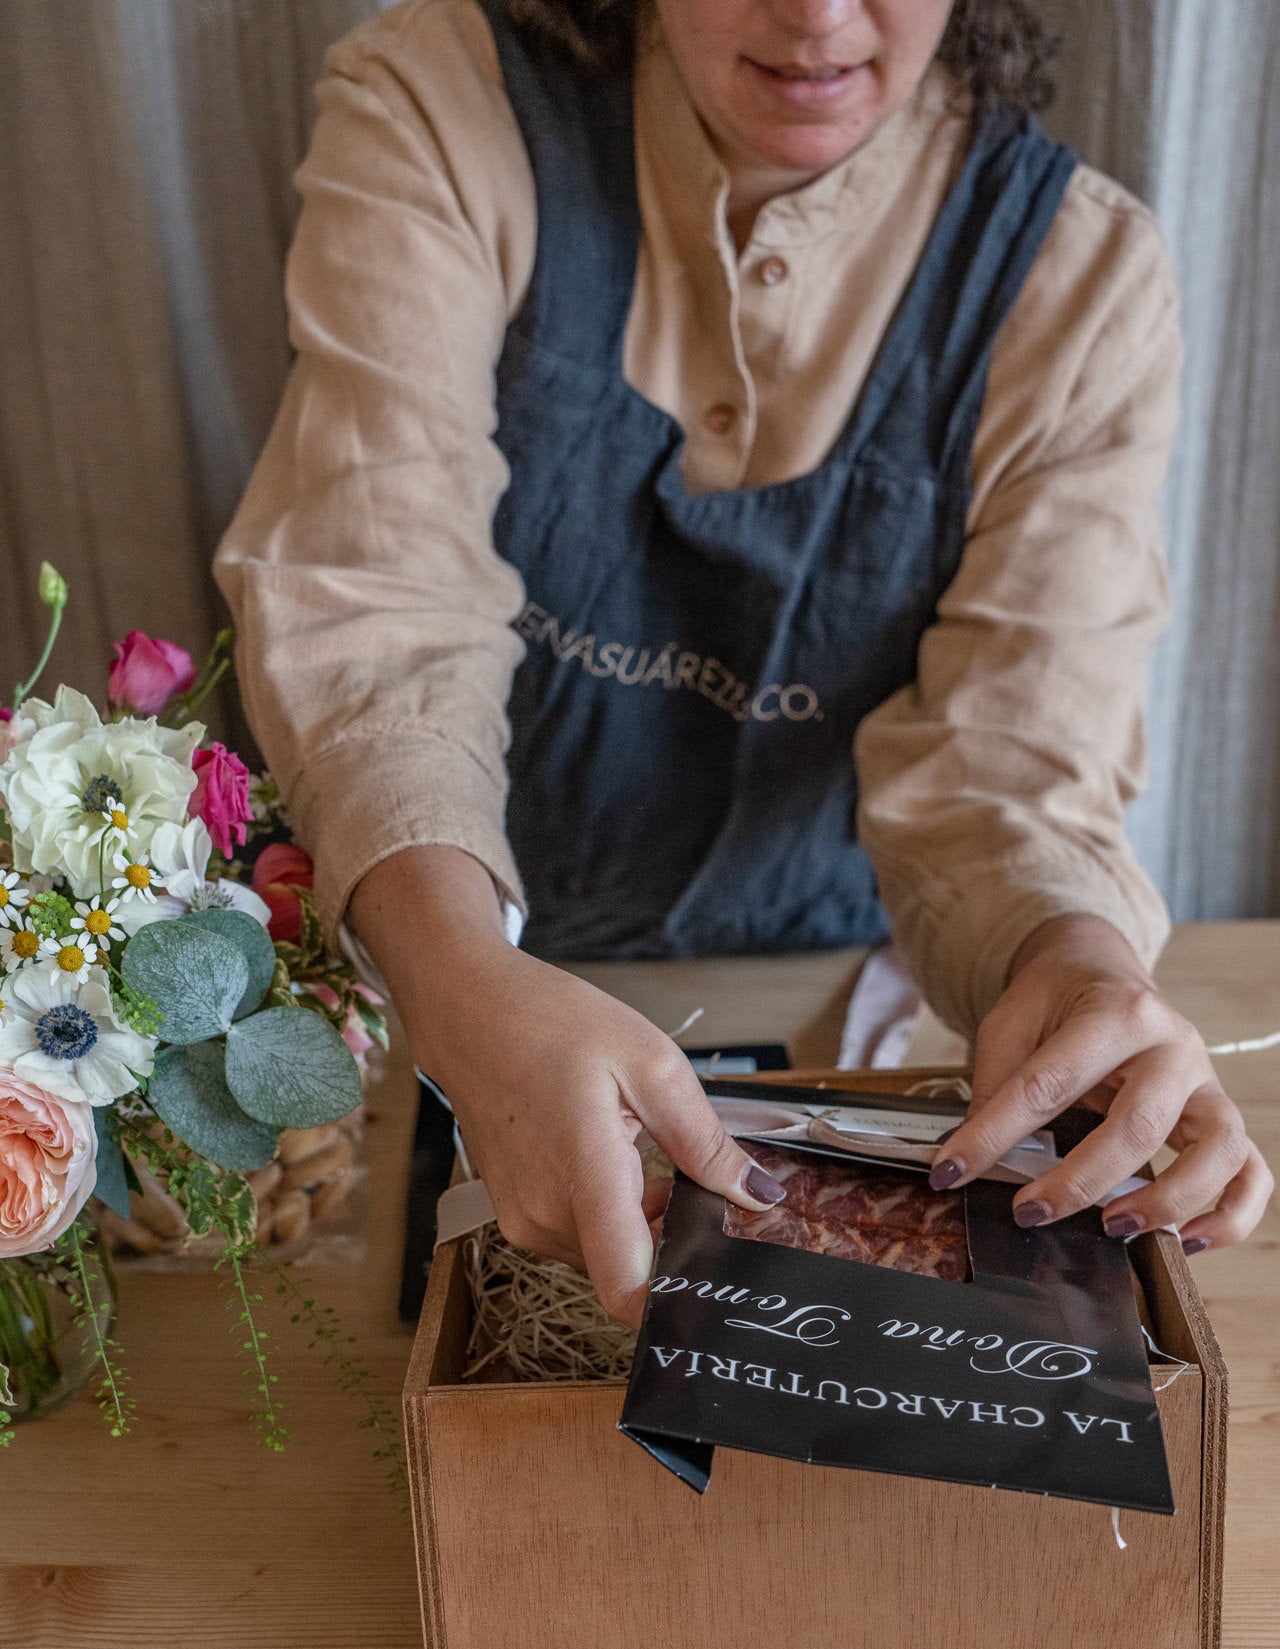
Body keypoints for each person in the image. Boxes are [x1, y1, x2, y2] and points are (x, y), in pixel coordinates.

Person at [216, 0, 1271, 1326]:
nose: (817, 16)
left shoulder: (1079, 274)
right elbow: (378, 602)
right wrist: (462, 984)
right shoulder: (449, 103)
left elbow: (1009, 770)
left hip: (828, 978)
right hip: (442, 944)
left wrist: (1074, 966)